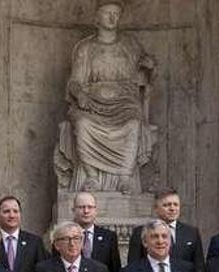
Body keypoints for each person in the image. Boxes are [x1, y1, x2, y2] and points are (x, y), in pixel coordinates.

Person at [54, 0, 157, 194]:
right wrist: (81, 94)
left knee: (133, 124)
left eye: (116, 14)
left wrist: (150, 67)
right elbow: (74, 81)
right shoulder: (85, 48)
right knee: (83, 124)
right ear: (96, 18)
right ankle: (92, 176)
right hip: (92, 103)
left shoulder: (130, 45)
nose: (112, 17)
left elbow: (146, 74)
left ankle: (124, 177)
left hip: (124, 103)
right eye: (107, 13)